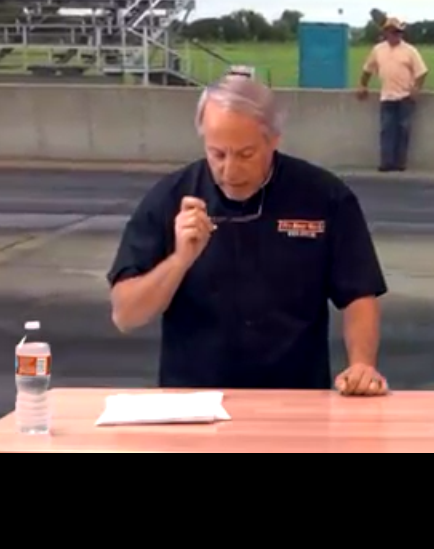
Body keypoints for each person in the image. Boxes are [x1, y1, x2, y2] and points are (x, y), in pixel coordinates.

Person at [106, 73, 390, 396]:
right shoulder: (170, 198)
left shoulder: (324, 197)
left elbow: (359, 294)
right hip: (193, 399)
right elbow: (125, 315)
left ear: (274, 139)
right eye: (217, 154)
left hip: (295, 397)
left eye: (245, 154)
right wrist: (179, 261)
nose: (230, 171)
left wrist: (362, 363)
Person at [357, 17, 429, 172]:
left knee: (404, 129)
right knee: (386, 129)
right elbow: (367, 69)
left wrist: (416, 88)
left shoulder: (410, 51)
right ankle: (386, 162)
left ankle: (400, 163)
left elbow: (422, 72)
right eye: (393, 32)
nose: (396, 35)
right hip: (387, 96)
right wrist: (363, 85)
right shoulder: (378, 50)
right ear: (386, 33)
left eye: (398, 32)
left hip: (405, 97)